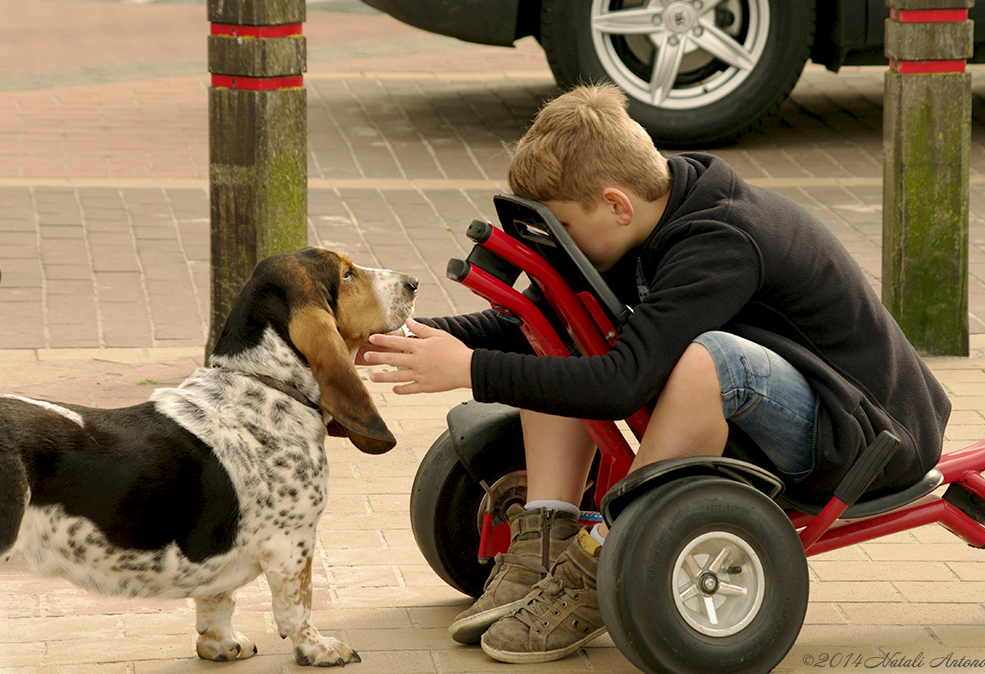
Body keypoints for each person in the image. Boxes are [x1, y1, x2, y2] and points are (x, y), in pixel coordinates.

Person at [359, 83, 950, 665]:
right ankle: (547, 535)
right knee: (559, 321)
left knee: (711, 359)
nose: (565, 246)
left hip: (862, 436)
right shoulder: (638, 220)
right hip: (793, 411)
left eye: (567, 227)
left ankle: (600, 562)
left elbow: (624, 382)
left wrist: (468, 370)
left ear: (617, 204)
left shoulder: (720, 239)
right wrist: (396, 338)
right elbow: (521, 326)